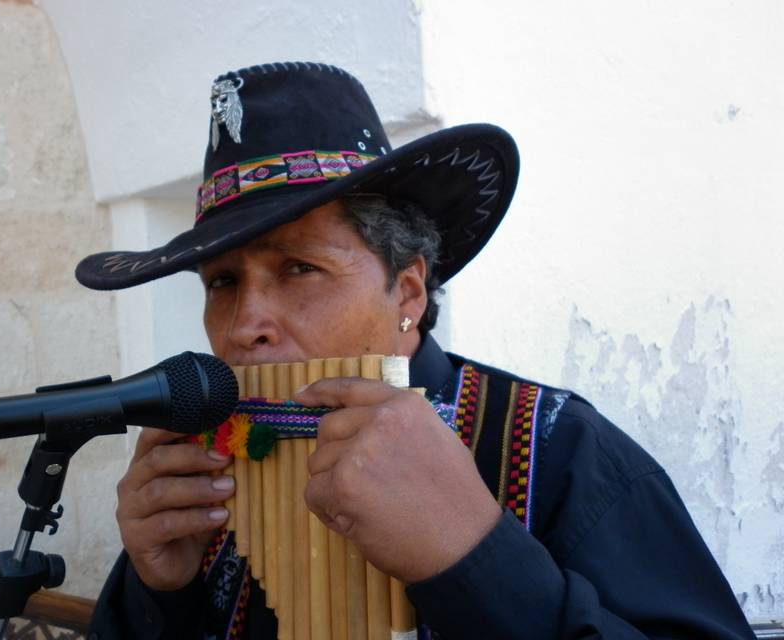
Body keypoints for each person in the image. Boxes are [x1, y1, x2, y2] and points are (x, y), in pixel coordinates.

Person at [75, 62, 755, 639]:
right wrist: (158, 595)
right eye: (222, 282)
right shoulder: (213, 471)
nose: (244, 323)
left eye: (298, 269)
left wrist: (475, 557)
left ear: (407, 291)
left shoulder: (564, 452)